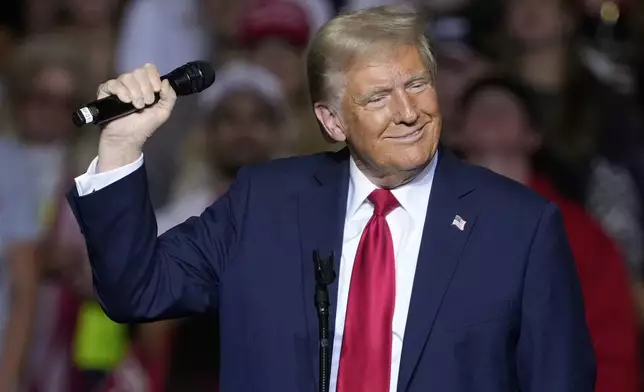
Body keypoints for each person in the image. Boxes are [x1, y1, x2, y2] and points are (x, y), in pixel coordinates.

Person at [66, 5, 595, 392]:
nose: (408, 112)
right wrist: (122, 145)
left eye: (417, 84)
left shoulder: (518, 226)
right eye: (378, 97)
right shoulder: (265, 204)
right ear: (331, 120)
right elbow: (136, 291)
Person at [455, 75, 639, 392]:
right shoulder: (425, 224)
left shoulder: (579, 234)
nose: (492, 114)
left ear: (533, 136)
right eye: (481, 109)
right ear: (456, 134)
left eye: (504, 109)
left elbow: (612, 350)